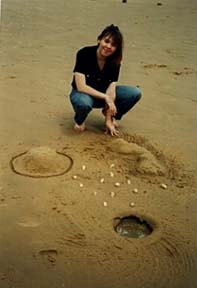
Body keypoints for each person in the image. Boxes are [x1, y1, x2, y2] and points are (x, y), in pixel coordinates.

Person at [69, 24, 142, 136]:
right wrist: (106, 97)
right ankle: (80, 120)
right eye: (106, 41)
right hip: (82, 94)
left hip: (103, 95)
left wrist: (108, 119)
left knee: (134, 93)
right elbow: (81, 86)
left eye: (113, 45)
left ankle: (110, 115)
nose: (108, 46)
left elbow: (111, 90)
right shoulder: (84, 53)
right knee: (84, 103)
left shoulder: (115, 62)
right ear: (99, 40)